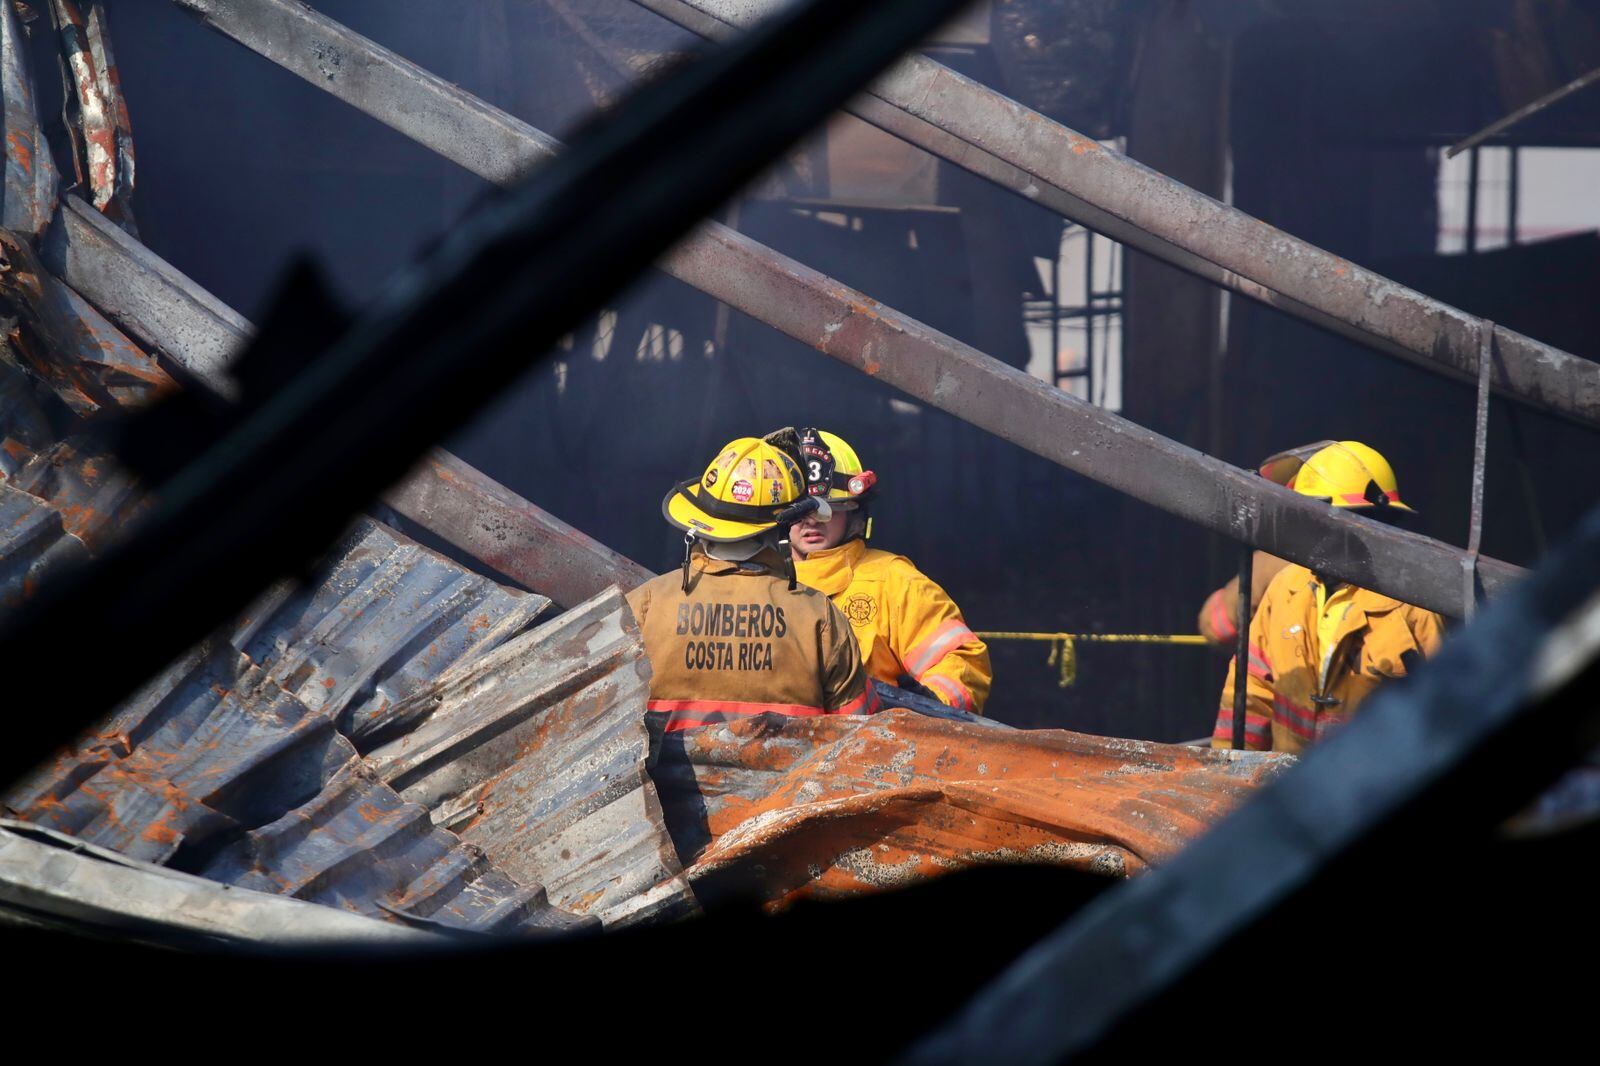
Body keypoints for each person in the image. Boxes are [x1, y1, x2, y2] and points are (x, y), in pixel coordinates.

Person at [626, 434, 879, 733]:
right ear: (783, 527)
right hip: (789, 767)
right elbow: (860, 736)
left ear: (699, 519)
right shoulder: (820, 618)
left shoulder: (643, 607)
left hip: (660, 768)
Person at [1212, 441, 1445, 753]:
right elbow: (1250, 693)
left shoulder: (1414, 609)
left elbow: (1443, 721)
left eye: (1313, 522)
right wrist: (1228, 775)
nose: (1305, 535)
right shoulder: (1286, 589)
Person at [782, 427, 992, 715]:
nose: (812, 521)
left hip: (870, 742)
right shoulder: (758, 581)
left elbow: (961, 658)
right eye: (799, 511)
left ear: (854, 512)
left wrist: (934, 703)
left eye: (827, 509)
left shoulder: (893, 582)